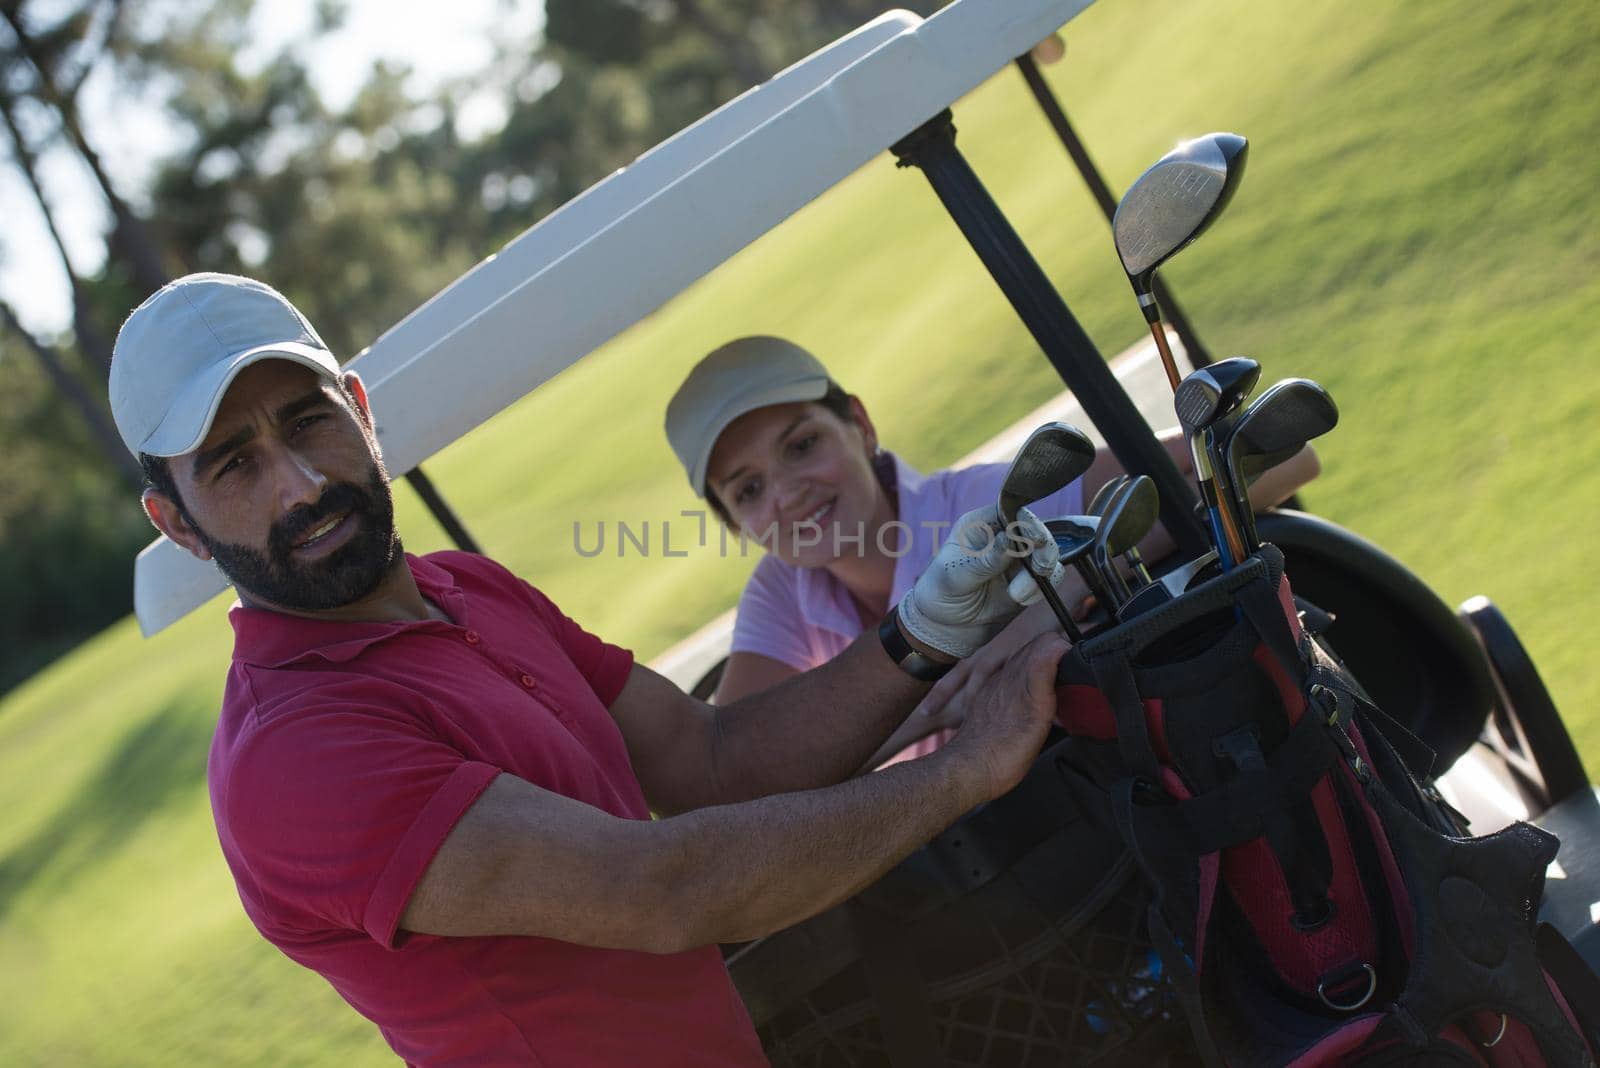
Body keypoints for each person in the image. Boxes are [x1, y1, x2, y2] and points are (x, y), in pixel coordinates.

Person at [108, 272, 1072, 1067]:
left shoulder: (467, 588)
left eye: (307, 422)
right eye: (234, 464)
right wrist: (960, 772)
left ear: (359, 410)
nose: (302, 486)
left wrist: (921, 633)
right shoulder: (294, 753)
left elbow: (712, 759)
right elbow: (662, 889)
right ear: (178, 523)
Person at [665, 336, 1319, 765]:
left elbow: (1279, 457)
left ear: (860, 426)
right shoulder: (782, 593)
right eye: (748, 489)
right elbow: (739, 773)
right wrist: (922, 708)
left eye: (803, 445)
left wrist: (1059, 591)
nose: (786, 494)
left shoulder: (987, 504)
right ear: (736, 524)